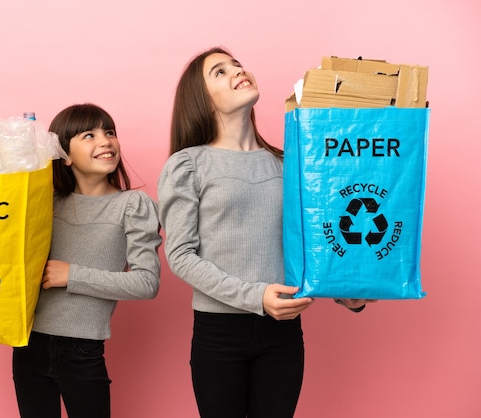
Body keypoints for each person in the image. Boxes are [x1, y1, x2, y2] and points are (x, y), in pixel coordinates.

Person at [157, 47, 372, 418]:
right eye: (220, 72)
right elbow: (180, 256)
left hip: (283, 333)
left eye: (237, 65)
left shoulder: (289, 163)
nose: (238, 71)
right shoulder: (187, 165)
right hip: (219, 334)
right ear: (203, 101)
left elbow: (314, 243)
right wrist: (256, 297)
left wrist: (347, 293)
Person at [13, 103, 162, 418]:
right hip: (28, 346)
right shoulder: (46, 203)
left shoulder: (132, 204)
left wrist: (73, 275)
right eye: (89, 135)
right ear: (64, 154)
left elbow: (147, 283)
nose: (106, 141)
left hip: (83, 350)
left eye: (109, 132)